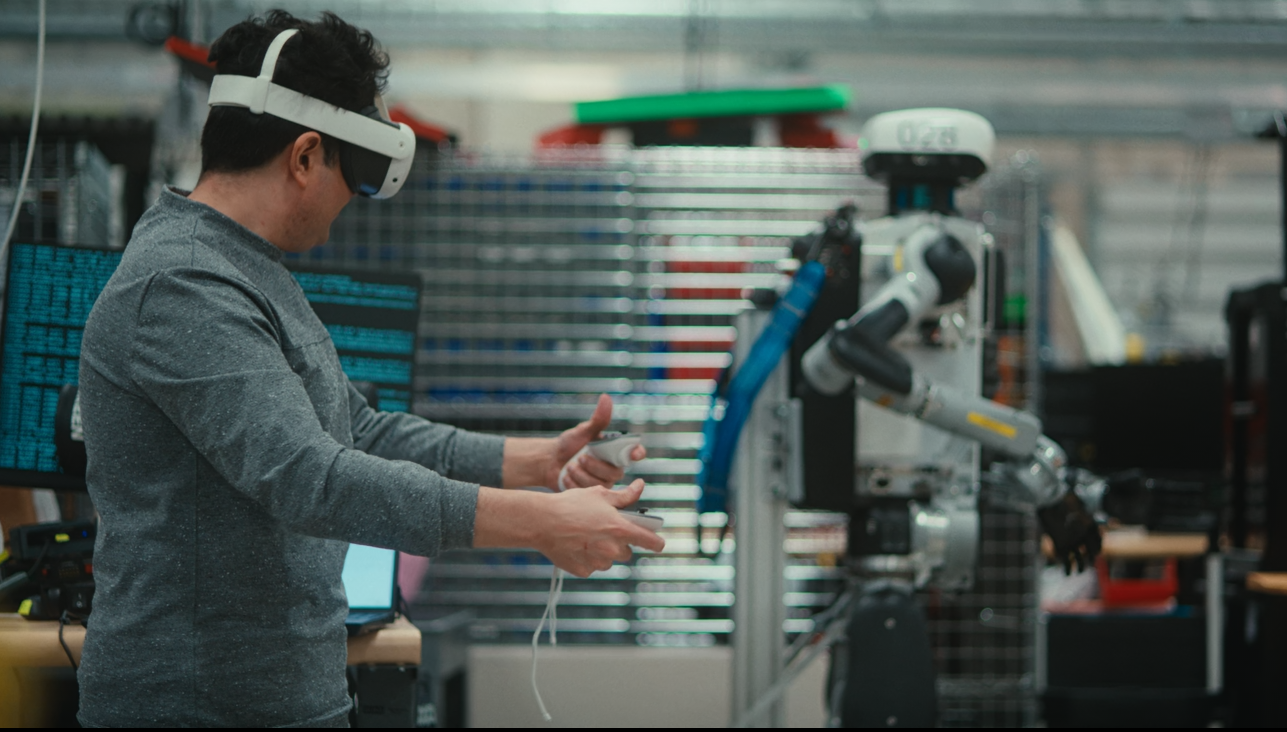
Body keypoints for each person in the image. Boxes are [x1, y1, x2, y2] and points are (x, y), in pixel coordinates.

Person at [75, 10, 663, 727]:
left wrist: (537, 461)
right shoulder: (181, 287)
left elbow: (355, 431)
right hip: (197, 709)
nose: (349, 206)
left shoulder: (248, 271)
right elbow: (307, 478)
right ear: (303, 156)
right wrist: (536, 523)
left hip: (278, 699)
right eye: (351, 180)